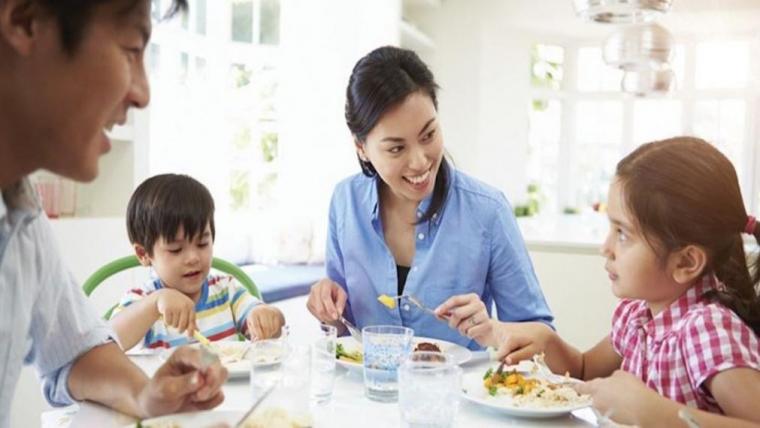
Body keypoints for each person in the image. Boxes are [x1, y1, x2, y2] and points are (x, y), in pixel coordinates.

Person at [0, 1, 228, 426]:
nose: (142, 93)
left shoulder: (23, 218)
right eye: (130, 50)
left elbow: (76, 353)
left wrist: (145, 394)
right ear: (26, 20)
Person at [495, 137, 760, 426]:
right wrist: (548, 342)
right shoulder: (638, 316)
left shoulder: (707, 329)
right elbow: (584, 368)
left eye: (623, 234)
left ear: (685, 262)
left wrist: (656, 414)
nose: (605, 248)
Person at [306, 46, 553, 350]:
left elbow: (543, 337)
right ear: (361, 148)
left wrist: (494, 329)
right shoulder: (345, 202)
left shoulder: (487, 212)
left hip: (457, 394)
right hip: (364, 393)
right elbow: (343, 328)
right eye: (396, 149)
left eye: (428, 135)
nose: (420, 162)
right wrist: (327, 308)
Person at [109, 174, 285, 350]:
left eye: (202, 244)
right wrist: (154, 304)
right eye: (176, 250)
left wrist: (268, 317)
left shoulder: (226, 291)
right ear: (143, 253)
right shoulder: (142, 300)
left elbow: (273, 329)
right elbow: (111, 341)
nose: (193, 258)